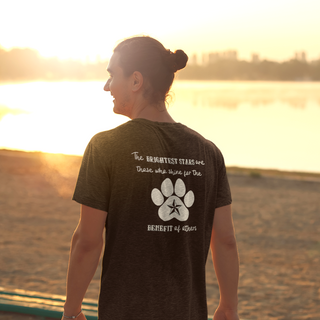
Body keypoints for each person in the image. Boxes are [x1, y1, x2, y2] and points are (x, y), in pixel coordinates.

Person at [62, 36, 240, 320]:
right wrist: (229, 307)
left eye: (111, 75)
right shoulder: (208, 152)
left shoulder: (105, 147)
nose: (106, 86)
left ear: (136, 81)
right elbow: (226, 239)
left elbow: (87, 240)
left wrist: (72, 310)